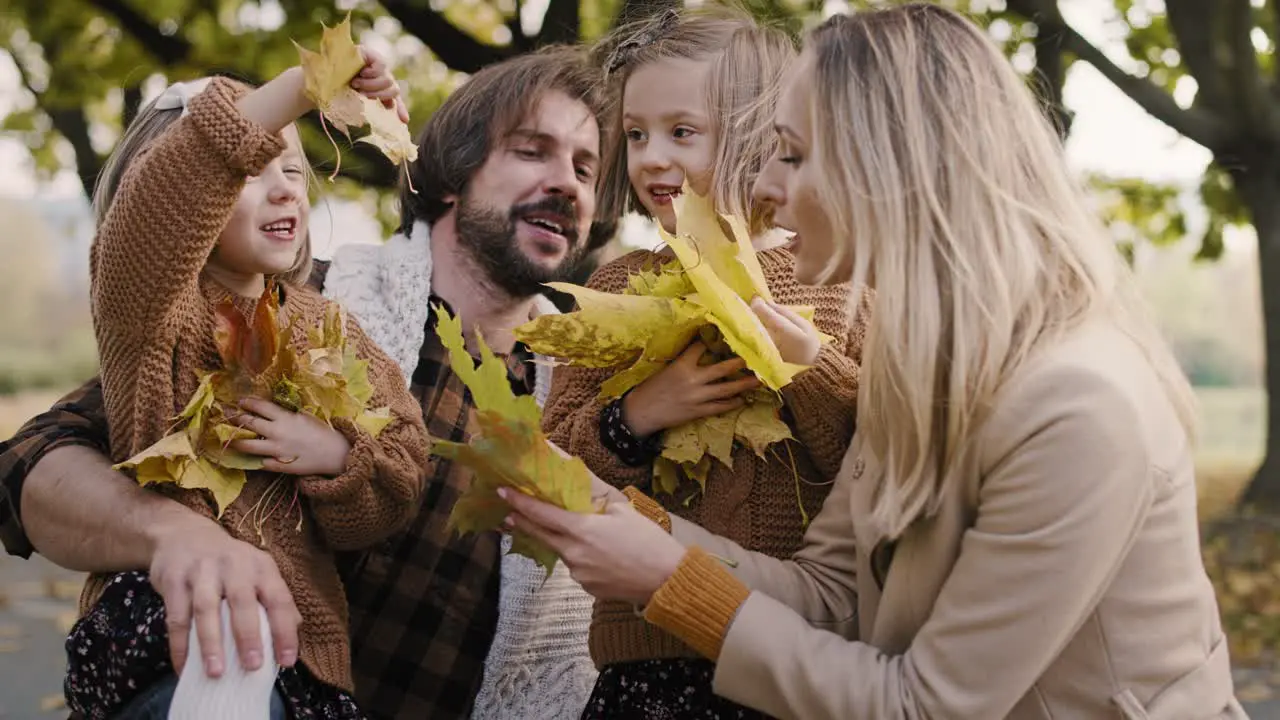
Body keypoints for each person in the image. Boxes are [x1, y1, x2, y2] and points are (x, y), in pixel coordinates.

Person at [506, 5, 1246, 719]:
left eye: (791, 155)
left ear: (889, 168)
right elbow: (834, 592)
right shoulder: (920, 363)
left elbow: (924, 706)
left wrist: (672, 579)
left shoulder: (1077, 406)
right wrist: (642, 533)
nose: (763, 187)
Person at [0, 46, 617, 719]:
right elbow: (33, 457)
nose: (568, 183)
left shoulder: (592, 400)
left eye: (586, 168)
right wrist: (171, 533)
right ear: (453, 175)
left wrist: (345, 459)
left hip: (320, 694)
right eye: (534, 152)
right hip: (213, 670)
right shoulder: (270, 307)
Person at [65, 52, 430, 718]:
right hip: (174, 646)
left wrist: (340, 459)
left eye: (293, 168)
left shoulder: (328, 326)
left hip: (302, 663)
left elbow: (402, 467)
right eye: (251, 172)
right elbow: (174, 184)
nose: (286, 188)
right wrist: (308, 83)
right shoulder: (149, 311)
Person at [540, 6, 867, 718]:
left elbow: (879, 462)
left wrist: (807, 369)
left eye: (682, 132)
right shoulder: (618, 285)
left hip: (793, 653)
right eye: (635, 135)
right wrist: (637, 415)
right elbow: (556, 468)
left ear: (759, 132)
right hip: (647, 657)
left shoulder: (839, 282)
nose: (652, 156)